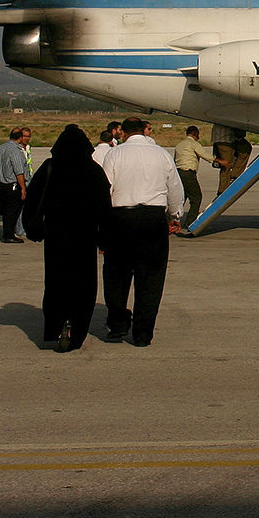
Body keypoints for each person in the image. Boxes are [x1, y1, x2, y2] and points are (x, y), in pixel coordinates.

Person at [23, 124, 111, 352]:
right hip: (85, 238)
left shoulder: (50, 168)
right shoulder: (93, 171)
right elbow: (104, 207)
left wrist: (34, 229)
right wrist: (105, 238)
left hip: (56, 236)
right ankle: (76, 330)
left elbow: (33, 199)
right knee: (84, 285)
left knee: (56, 283)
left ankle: (56, 326)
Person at [99, 117, 183, 347]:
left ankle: (117, 324)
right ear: (144, 132)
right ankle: (143, 333)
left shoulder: (115, 155)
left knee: (116, 275)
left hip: (121, 218)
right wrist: (175, 216)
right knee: (151, 279)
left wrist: (103, 225)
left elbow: (106, 188)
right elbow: (175, 188)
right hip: (152, 218)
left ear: (123, 133)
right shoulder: (161, 154)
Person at [173, 125, 220, 230]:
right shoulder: (193, 144)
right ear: (196, 134)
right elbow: (204, 155)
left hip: (178, 173)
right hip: (188, 173)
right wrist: (218, 161)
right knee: (196, 198)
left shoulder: (179, 145)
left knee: (181, 198)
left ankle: (172, 219)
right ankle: (190, 221)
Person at [0, 128, 29, 244]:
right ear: (20, 138)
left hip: (1, 184)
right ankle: (9, 235)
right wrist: (23, 188)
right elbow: (19, 172)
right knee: (13, 211)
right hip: (12, 185)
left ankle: (7, 233)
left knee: (6, 211)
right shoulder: (15, 151)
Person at [212, 125, 252, 195]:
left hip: (227, 138)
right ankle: (222, 190)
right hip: (225, 140)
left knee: (245, 149)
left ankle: (234, 174)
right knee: (226, 165)